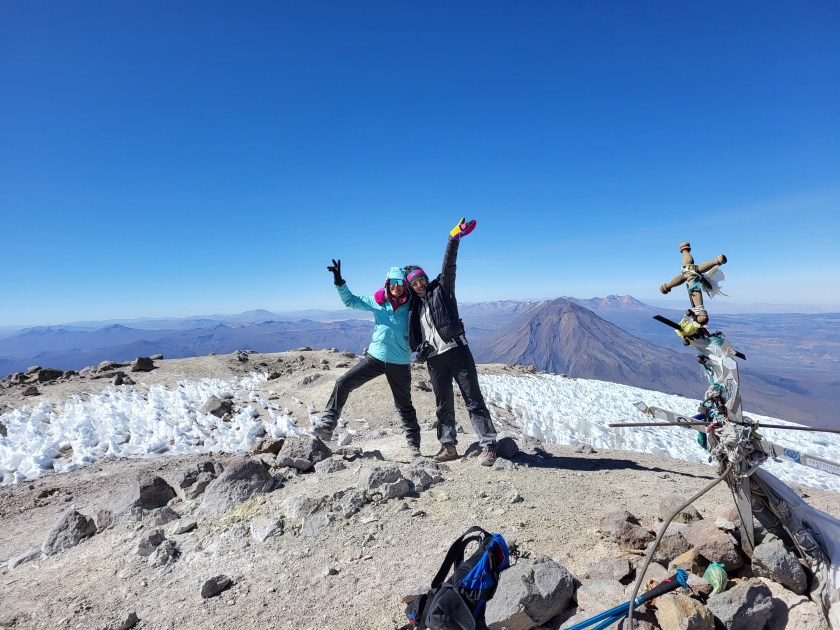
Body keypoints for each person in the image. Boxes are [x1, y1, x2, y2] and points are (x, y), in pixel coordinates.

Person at [405, 218, 498, 466]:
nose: (419, 284)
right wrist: (419, 349)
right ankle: (448, 447)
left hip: (457, 352)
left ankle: (488, 445)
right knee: (442, 404)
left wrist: (452, 239)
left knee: (473, 399)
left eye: (421, 279)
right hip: (435, 360)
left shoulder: (442, 289)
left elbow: (449, 266)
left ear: (426, 278)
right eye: (414, 283)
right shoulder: (412, 308)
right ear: (410, 287)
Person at [312, 260, 421, 457]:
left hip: (400, 361)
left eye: (400, 282)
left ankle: (414, 445)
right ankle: (328, 423)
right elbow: (351, 301)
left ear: (405, 285)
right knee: (343, 383)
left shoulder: (413, 305)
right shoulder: (378, 302)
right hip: (376, 357)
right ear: (387, 284)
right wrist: (339, 282)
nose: (396, 286)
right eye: (392, 283)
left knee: (404, 405)